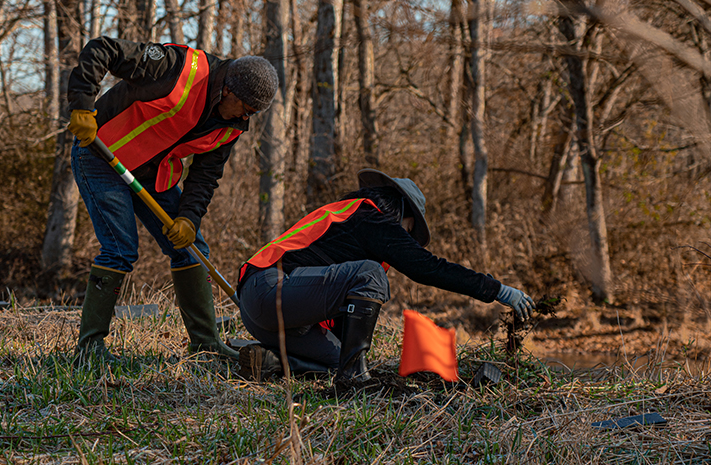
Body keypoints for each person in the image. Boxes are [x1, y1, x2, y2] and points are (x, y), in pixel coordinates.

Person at [66, 36, 279, 362]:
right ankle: (90, 349)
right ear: (229, 91)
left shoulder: (232, 125)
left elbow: (205, 176)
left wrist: (188, 219)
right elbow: (103, 49)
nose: (247, 118)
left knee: (192, 248)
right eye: (247, 109)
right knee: (120, 249)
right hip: (102, 153)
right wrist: (82, 104)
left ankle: (206, 346)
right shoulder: (177, 68)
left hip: (153, 173)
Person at [236, 169, 535, 382]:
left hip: (263, 314)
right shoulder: (371, 218)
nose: (405, 236)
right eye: (408, 229)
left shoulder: (350, 222)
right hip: (270, 290)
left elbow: (336, 304)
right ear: (401, 210)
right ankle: (354, 378)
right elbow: (427, 267)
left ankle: (270, 363)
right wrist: (496, 290)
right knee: (370, 274)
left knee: (340, 360)